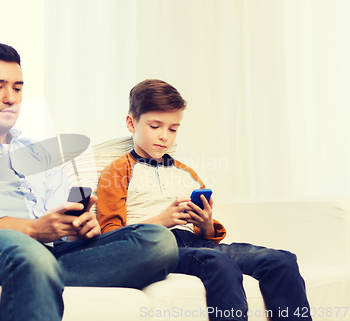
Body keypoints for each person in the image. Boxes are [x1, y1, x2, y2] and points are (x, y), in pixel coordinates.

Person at [0, 43, 178, 321]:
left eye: (17, 87)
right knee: (24, 248)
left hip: (47, 251)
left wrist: (76, 227)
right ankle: (27, 268)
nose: (10, 98)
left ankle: (26, 276)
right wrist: (30, 230)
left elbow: (57, 213)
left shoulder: (37, 152)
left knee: (158, 241)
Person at [96, 79, 312, 321]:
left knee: (281, 260)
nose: (164, 136)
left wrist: (206, 222)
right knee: (218, 261)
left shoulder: (187, 173)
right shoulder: (117, 171)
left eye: (173, 128)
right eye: (155, 126)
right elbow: (111, 236)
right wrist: (161, 221)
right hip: (158, 248)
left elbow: (206, 233)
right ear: (131, 123)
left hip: (199, 243)